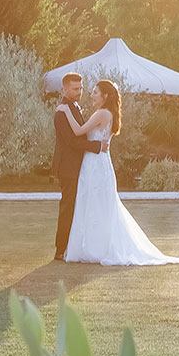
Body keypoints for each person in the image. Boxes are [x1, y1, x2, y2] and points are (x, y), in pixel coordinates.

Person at [62, 79, 179, 266]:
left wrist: (65, 111)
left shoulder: (102, 113)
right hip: (97, 162)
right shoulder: (107, 113)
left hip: (95, 164)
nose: (91, 94)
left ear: (104, 96)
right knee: (96, 204)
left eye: (95, 92)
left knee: (96, 203)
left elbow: (79, 131)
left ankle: (97, 249)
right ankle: (92, 246)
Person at [52, 72, 104, 262]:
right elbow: (71, 141)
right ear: (65, 88)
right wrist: (96, 146)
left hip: (77, 166)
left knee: (76, 206)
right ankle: (60, 249)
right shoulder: (61, 111)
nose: (79, 92)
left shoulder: (73, 107)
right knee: (68, 206)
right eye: (75, 88)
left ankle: (71, 247)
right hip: (67, 167)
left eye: (81, 88)